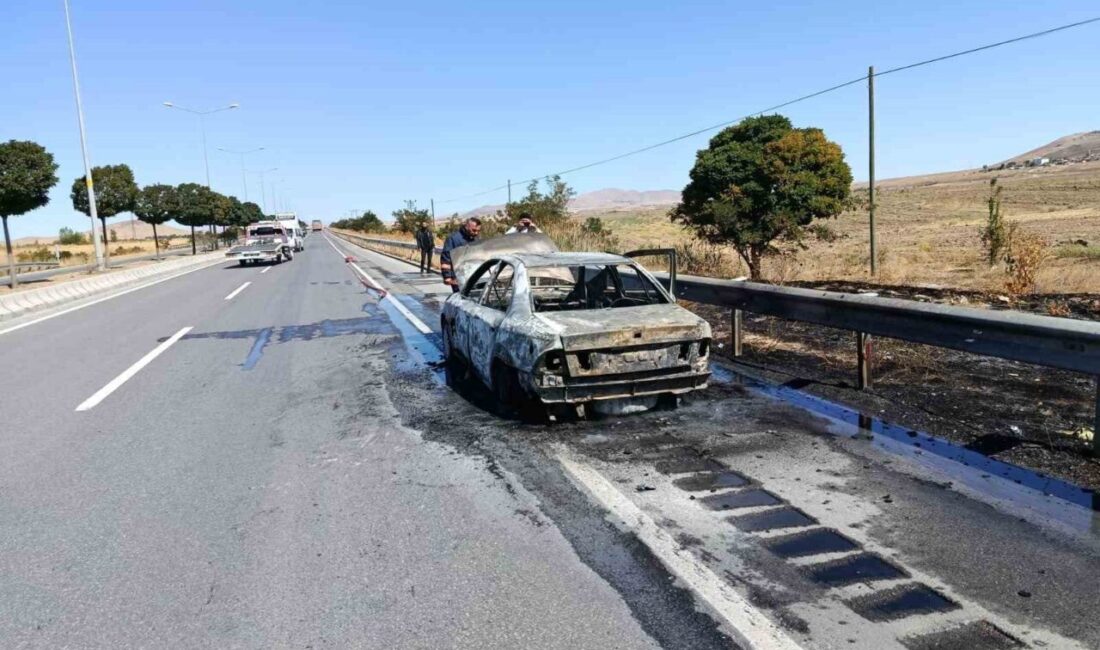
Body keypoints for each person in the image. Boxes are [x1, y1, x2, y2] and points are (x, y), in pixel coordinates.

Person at [440, 217, 481, 292]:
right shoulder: (453, 239)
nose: (476, 233)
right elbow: (446, 258)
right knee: (461, 297)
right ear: (467, 226)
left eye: (478, 231)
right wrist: (447, 277)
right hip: (458, 277)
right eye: (474, 230)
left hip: (474, 276)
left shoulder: (476, 239)